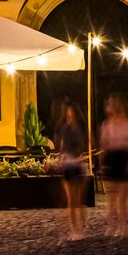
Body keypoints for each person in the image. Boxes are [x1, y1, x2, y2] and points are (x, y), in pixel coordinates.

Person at [98, 95, 128, 238]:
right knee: (112, 195)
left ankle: (122, 226)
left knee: (123, 195)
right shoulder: (107, 124)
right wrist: (102, 161)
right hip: (112, 157)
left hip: (124, 157)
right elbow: (104, 144)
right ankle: (113, 224)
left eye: (110, 105)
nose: (108, 108)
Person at [55, 99, 89, 241]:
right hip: (68, 165)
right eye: (68, 112)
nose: (70, 114)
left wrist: (80, 155)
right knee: (71, 199)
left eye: (72, 112)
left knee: (79, 199)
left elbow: (83, 145)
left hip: (78, 164)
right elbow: (62, 147)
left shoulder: (80, 128)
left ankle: (81, 227)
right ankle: (74, 229)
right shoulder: (64, 128)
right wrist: (61, 156)